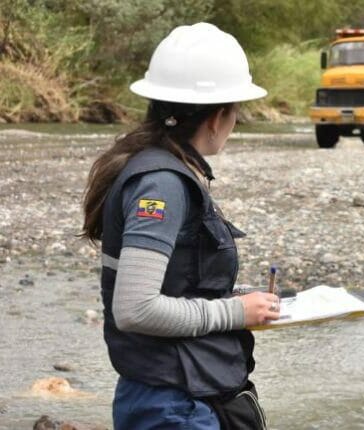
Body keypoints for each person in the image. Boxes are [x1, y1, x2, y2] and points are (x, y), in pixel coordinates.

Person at [81, 23, 278, 429]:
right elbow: (135, 309)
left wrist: (242, 299)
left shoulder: (159, 167)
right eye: (236, 111)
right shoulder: (163, 184)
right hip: (173, 405)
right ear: (219, 116)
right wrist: (235, 312)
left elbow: (176, 282)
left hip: (174, 396)